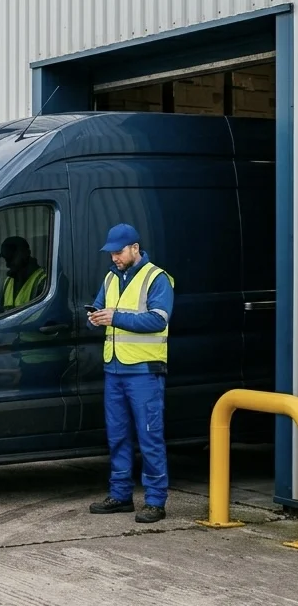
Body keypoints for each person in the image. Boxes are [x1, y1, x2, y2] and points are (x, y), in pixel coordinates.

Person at [87, 223, 174, 523]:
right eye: (111, 253)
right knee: (117, 436)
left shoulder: (156, 278)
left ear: (135, 248)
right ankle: (121, 495)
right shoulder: (111, 278)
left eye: (119, 252)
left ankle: (155, 501)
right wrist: (95, 317)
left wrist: (115, 317)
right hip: (114, 369)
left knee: (150, 436)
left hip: (144, 372)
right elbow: (100, 309)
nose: (114, 258)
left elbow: (158, 320)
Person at [0, 236, 47, 313]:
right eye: (6, 259)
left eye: (11, 258)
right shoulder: (8, 281)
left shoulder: (43, 281)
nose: (7, 264)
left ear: (26, 253)